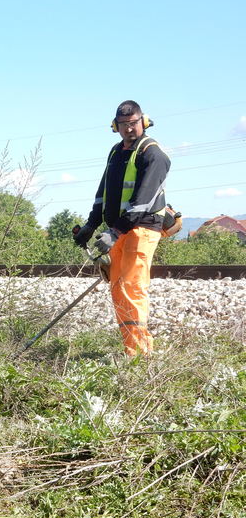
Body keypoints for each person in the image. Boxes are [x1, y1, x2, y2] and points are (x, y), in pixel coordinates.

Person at [73, 100, 171, 356]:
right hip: (117, 229)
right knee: (118, 288)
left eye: (134, 123)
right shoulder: (116, 153)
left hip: (142, 229)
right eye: (124, 125)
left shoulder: (153, 154)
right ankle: (131, 349)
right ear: (115, 127)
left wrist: (115, 232)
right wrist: (91, 225)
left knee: (132, 287)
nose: (129, 129)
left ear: (144, 122)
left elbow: (143, 201)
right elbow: (102, 193)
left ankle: (140, 354)